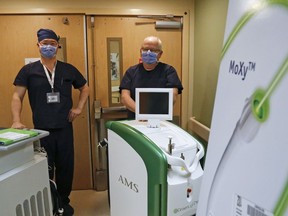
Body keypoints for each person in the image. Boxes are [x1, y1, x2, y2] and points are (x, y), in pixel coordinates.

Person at [11, 28, 89, 216]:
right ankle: (47, 202)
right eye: (44, 43)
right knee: (44, 168)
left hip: (64, 128)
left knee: (65, 167)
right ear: (38, 45)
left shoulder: (68, 69)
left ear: (58, 46)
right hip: (42, 130)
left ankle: (63, 202)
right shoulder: (28, 71)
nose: (48, 46)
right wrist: (16, 120)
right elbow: (17, 96)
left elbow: (84, 87)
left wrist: (79, 108)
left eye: (52, 43)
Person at [120, 36, 183, 119]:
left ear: (160, 54)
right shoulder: (131, 72)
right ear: (140, 51)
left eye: (153, 50)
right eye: (145, 49)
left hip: (160, 121)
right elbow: (125, 97)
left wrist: (152, 115)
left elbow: (173, 95)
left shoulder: (169, 71)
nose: (148, 52)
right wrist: (142, 113)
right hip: (136, 120)